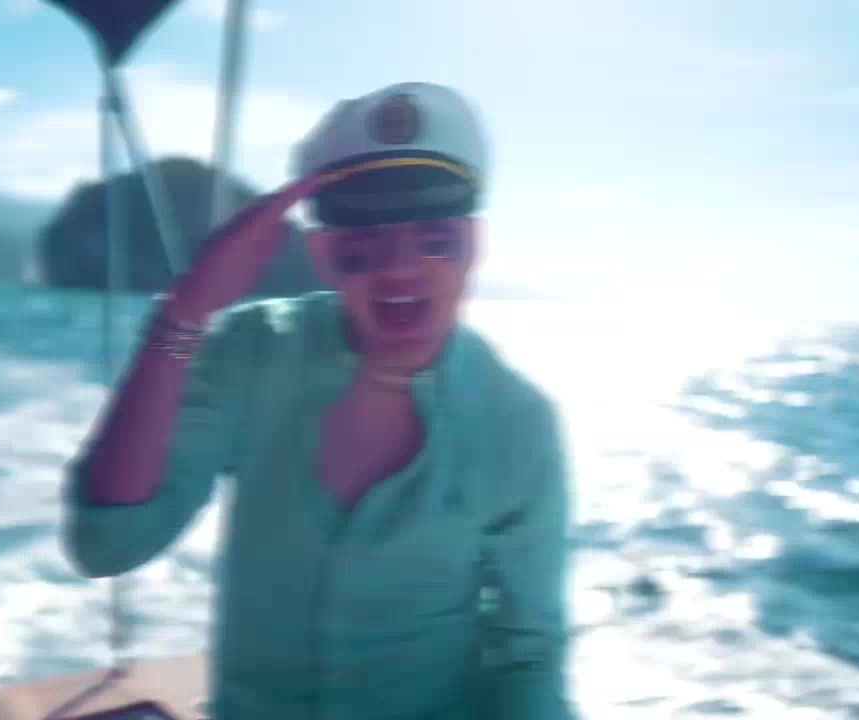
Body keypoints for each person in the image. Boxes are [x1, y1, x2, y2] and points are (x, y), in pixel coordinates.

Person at [62, 81, 576, 720]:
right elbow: (107, 544)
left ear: (472, 248)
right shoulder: (254, 354)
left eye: (436, 239)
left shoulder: (517, 423)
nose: (401, 267)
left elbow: (529, 656)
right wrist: (187, 310)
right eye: (364, 247)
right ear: (324, 256)